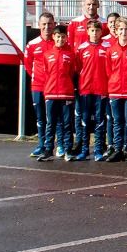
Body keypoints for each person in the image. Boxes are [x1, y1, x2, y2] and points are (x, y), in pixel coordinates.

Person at [38, 23, 77, 161]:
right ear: (54, 37)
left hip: (66, 93)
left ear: (67, 38)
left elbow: (72, 72)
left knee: (67, 123)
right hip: (51, 93)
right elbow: (46, 72)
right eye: (58, 37)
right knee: (51, 123)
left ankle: (68, 150)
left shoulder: (70, 54)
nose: (61, 40)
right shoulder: (47, 54)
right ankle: (48, 150)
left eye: (63, 37)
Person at [74, 21, 111, 162]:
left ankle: (98, 150)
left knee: (100, 121)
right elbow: (77, 68)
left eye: (97, 31)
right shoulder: (81, 48)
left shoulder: (107, 47)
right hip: (85, 89)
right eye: (92, 31)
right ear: (87, 32)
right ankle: (84, 150)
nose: (95, 33)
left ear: (101, 32)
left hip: (101, 89)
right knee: (84, 121)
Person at [24, 12, 56, 158]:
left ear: (54, 24)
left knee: (55, 118)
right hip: (38, 86)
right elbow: (28, 65)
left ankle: (57, 145)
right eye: (44, 24)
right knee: (40, 118)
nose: (47, 27)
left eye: (49, 24)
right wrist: (38, 78)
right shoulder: (32, 44)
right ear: (39, 25)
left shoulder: (59, 42)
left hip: (55, 88)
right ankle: (41, 144)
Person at [105, 19, 127, 161]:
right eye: (120, 29)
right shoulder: (110, 50)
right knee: (117, 121)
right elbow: (108, 71)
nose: (123, 32)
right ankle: (118, 149)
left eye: (126, 29)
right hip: (115, 90)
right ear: (116, 31)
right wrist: (114, 83)